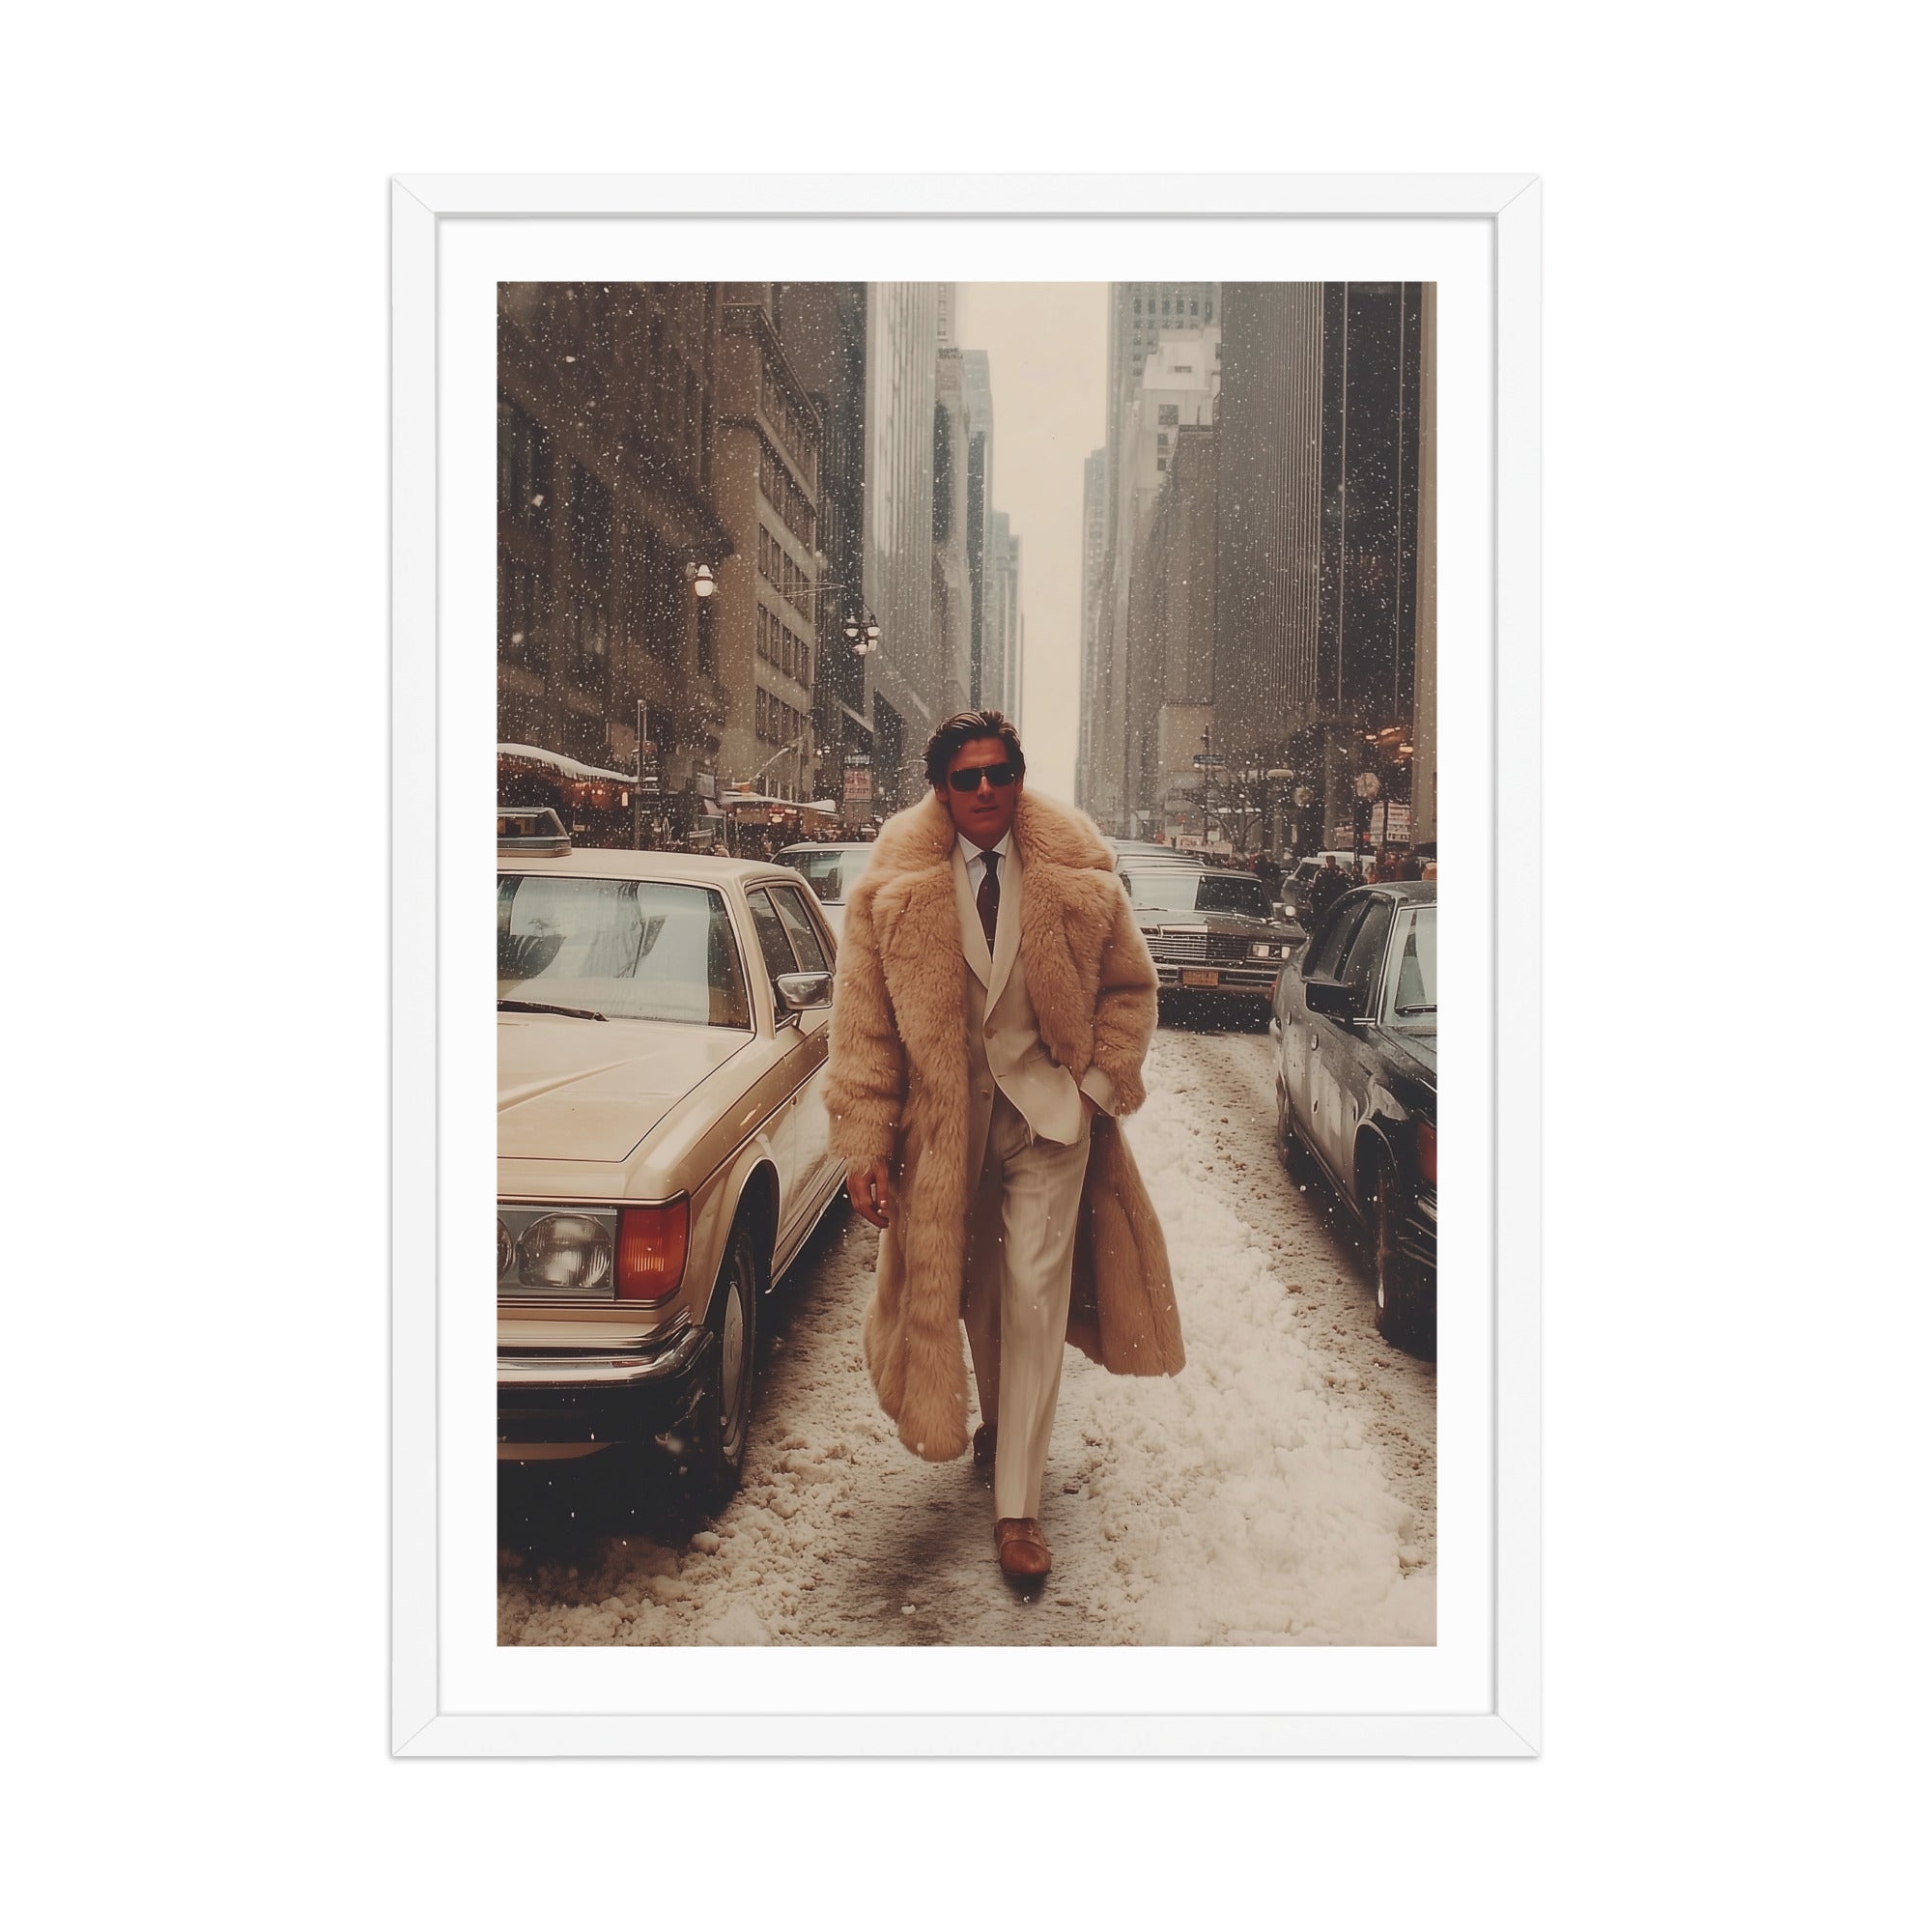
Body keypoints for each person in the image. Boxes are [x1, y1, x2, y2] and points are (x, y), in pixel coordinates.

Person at [825, 709, 1184, 1584]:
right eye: (967, 777)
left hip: (1049, 1123)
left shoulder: (1078, 870)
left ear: (1019, 778)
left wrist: (1095, 1091)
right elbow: (865, 1026)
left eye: (1000, 773)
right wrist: (866, 1144)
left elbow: (1130, 990)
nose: (985, 790)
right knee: (981, 1297)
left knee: (1032, 1298)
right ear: (940, 789)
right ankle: (997, 1423)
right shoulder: (893, 884)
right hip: (945, 1131)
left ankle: (1019, 1510)